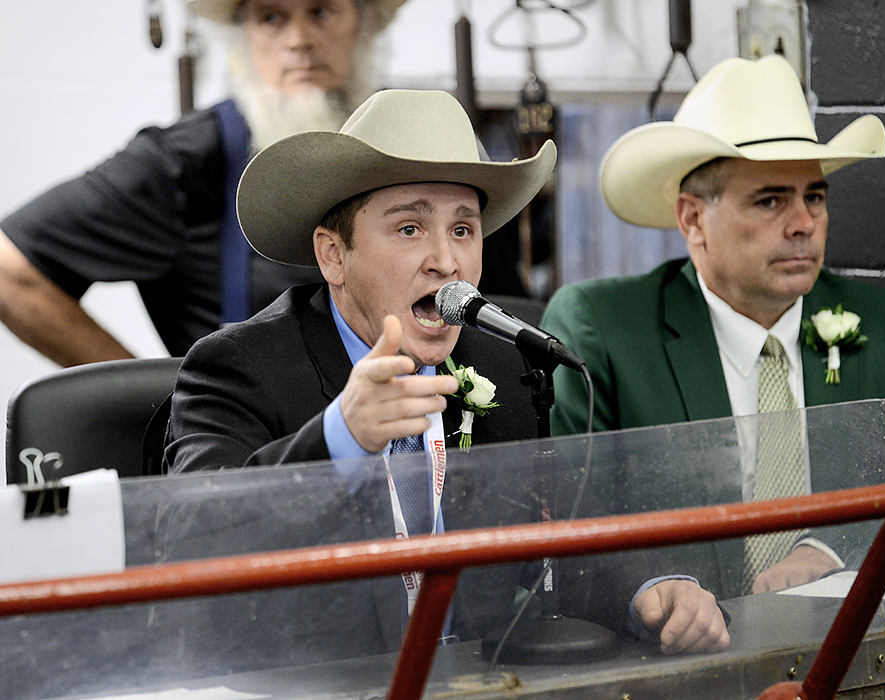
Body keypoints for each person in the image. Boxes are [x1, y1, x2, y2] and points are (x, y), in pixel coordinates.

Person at [157, 88, 730, 657]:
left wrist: (654, 588)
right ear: (333, 255)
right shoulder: (236, 367)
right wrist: (342, 439)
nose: (447, 261)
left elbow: (561, 536)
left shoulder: (501, 362)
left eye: (463, 229)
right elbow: (191, 545)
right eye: (410, 229)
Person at [541, 55, 885, 595]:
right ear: (692, 220)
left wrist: (833, 546)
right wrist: (654, 589)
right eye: (770, 200)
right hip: (670, 656)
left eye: (815, 196)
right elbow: (563, 514)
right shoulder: (603, 330)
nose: (804, 223)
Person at [0, 0, 406, 366]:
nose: (299, 40)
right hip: (251, 445)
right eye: (271, 17)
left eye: (320, 12)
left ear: (363, 20)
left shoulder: (420, 147)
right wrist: (158, 409)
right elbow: (9, 271)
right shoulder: (187, 161)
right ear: (243, 35)